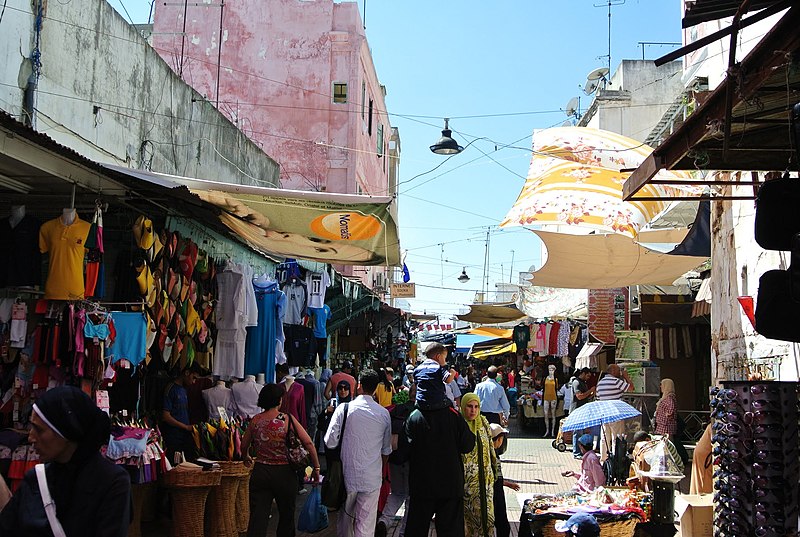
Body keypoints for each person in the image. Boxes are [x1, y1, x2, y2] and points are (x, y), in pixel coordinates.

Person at [0, 386, 131, 536]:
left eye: (39, 429)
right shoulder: (36, 479)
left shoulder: (112, 483)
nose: (30, 438)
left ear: (67, 430)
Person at [242, 383, 321, 537]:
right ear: (279, 400)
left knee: (258, 518)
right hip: (284, 474)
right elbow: (308, 443)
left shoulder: (256, 420)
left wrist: (246, 456)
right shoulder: (286, 419)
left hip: (261, 472)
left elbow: (244, 444)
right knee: (286, 517)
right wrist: (316, 468)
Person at [325, 370, 392, 537]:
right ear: (376, 389)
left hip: (347, 475)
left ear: (359, 386)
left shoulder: (344, 409)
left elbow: (329, 441)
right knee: (366, 524)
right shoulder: (384, 414)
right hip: (371, 477)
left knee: (346, 521)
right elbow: (386, 450)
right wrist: (380, 471)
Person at [404, 393, 475, 537]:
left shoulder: (415, 416)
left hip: (422, 485)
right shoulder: (453, 415)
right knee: (451, 530)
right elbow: (467, 445)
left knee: (416, 529)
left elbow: (403, 451)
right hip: (450, 485)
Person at [460, 393, 496, 537]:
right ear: (463, 407)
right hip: (466, 485)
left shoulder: (483, 423)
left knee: (487, 520)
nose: (473, 410)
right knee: (467, 523)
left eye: (476, 407)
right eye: (469, 406)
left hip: (486, 483)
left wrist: (495, 473)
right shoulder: (459, 424)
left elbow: (492, 449)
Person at [161, 364, 202, 463]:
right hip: (173, 436)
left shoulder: (184, 390)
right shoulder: (171, 389)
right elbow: (165, 416)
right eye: (193, 378)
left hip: (183, 436)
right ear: (187, 373)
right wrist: (185, 427)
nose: (194, 382)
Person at [594, 364, 633, 462]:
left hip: (604, 413)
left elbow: (598, 398)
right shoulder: (616, 382)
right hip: (615, 413)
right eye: (618, 370)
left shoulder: (600, 383)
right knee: (617, 437)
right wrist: (626, 377)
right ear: (613, 371)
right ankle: (617, 460)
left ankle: (604, 459)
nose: (619, 372)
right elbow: (631, 388)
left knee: (604, 438)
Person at [489, 423, 519, 537]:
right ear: (498, 439)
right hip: (495, 493)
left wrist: (507, 484)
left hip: (495, 491)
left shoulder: (491, 454)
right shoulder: (492, 456)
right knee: (502, 524)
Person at [413, 342, 457, 410]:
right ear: (438, 357)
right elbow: (448, 380)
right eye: (444, 358)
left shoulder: (418, 368)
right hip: (436, 402)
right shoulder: (437, 367)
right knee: (451, 404)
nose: (445, 362)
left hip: (420, 403)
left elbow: (416, 386)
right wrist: (452, 373)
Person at [570, 368, 596, 459]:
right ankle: (576, 453)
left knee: (582, 431)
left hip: (583, 410)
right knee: (577, 432)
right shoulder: (576, 382)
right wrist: (590, 390)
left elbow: (586, 397)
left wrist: (592, 393)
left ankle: (580, 451)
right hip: (577, 410)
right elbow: (579, 396)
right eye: (588, 375)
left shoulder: (583, 383)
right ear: (583, 373)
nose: (588, 378)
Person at [690, 422, 712, 494]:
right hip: (705, 456)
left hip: (703, 453)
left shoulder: (711, 426)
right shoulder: (712, 427)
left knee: (699, 479)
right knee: (703, 480)